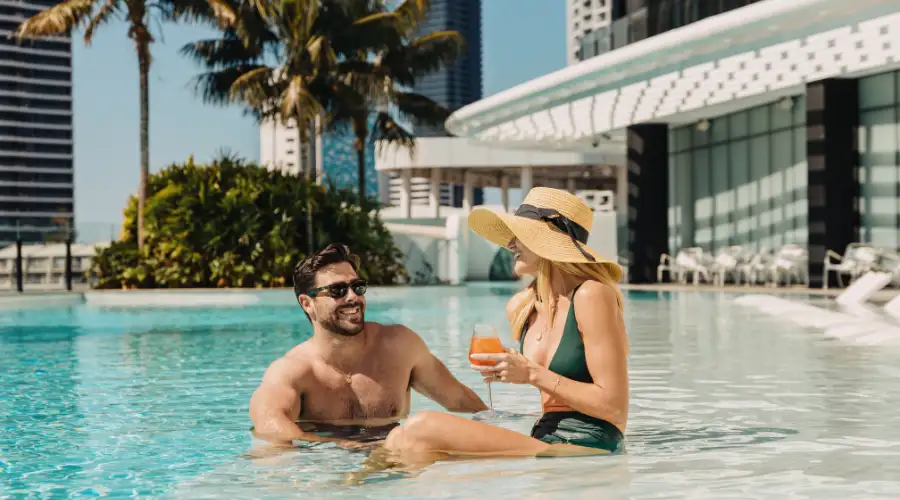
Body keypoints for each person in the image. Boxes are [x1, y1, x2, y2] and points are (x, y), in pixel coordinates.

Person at [384, 187, 629, 459]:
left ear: (547, 240)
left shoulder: (591, 295)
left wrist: (531, 373)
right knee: (398, 439)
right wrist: (507, 370)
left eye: (520, 235)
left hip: (587, 443)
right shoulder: (523, 306)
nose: (510, 244)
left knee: (422, 426)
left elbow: (614, 407)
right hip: (544, 437)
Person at [249, 243, 488, 449]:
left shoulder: (399, 346)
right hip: (327, 468)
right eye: (338, 290)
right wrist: (340, 447)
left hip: (399, 466)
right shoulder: (293, 370)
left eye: (358, 287)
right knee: (269, 457)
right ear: (307, 303)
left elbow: (458, 399)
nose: (352, 297)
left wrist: (498, 425)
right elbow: (270, 427)